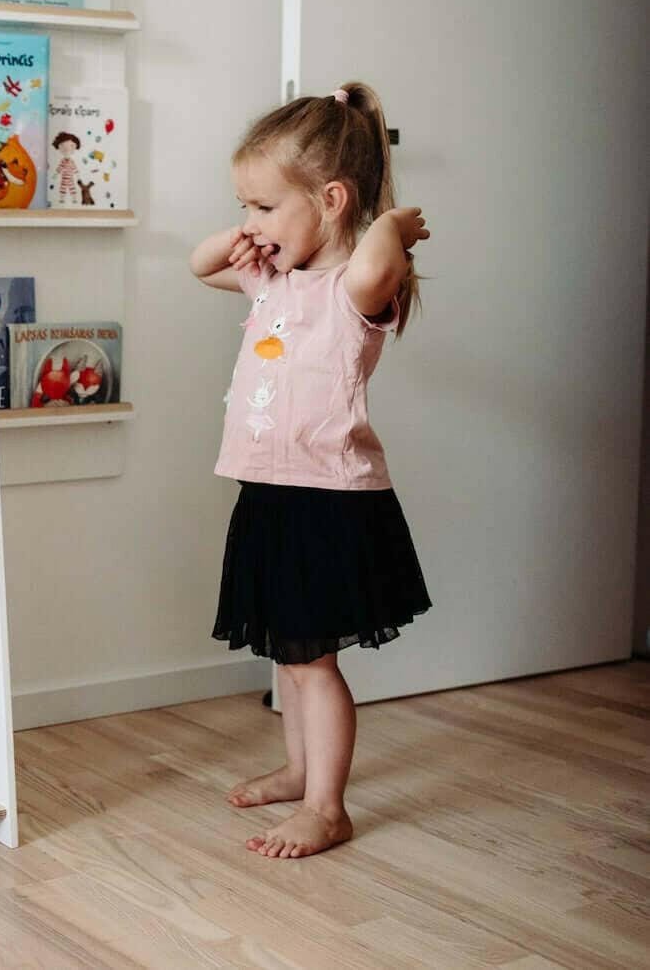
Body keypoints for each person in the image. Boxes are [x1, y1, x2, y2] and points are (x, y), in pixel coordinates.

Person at [188, 82, 433, 858]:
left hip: (330, 497)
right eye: (244, 207)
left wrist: (389, 220)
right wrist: (241, 238)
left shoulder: (353, 291)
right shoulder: (274, 280)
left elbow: (374, 261)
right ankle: (299, 769)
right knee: (288, 653)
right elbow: (199, 266)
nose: (250, 224)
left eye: (263, 207)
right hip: (268, 487)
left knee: (315, 661)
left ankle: (328, 805)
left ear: (331, 200)